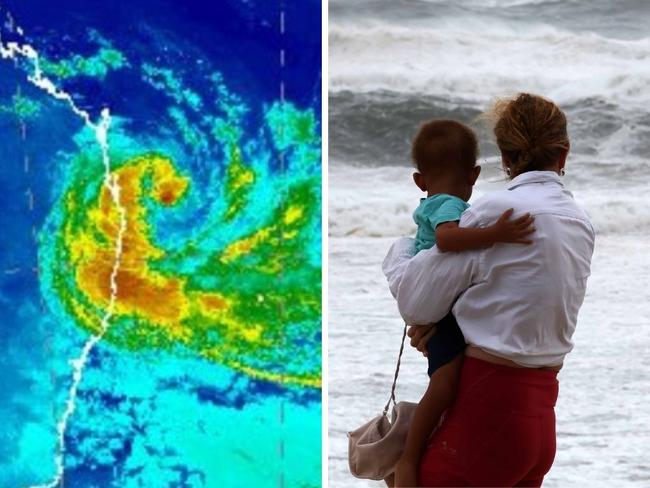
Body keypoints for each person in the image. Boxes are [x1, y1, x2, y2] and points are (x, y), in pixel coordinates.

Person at [383, 93, 595, 487]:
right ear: (562, 155)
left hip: (489, 407)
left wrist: (399, 251)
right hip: (540, 417)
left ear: (505, 158)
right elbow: (523, 299)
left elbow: (415, 303)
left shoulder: (493, 213)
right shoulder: (580, 221)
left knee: (402, 479)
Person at [392, 119, 536, 488]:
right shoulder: (450, 204)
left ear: (418, 180)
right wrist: (497, 233)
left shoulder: (433, 199)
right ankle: (408, 460)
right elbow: (447, 240)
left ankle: (419, 451)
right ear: (474, 174)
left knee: (448, 386)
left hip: (439, 311)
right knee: (444, 385)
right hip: (440, 317)